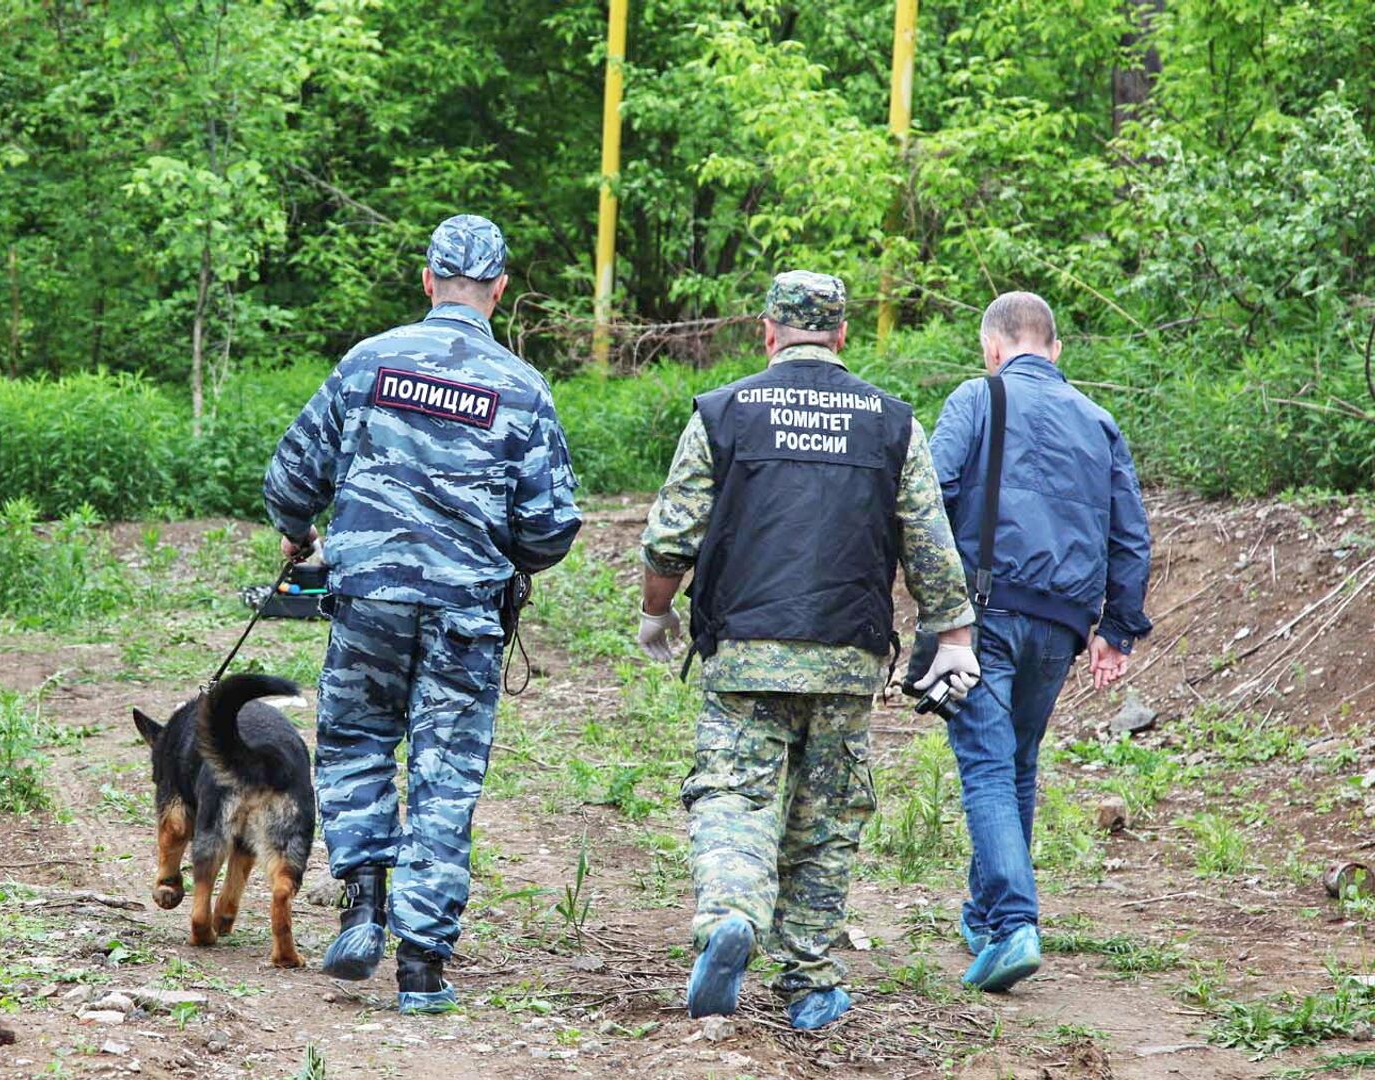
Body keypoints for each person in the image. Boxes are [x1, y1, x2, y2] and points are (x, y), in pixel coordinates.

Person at [637, 271, 979, 1030]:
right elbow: (929, 545)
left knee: (734, 793)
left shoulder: (724, 414)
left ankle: (731, 915)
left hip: (745, 652)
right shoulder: (892, 424)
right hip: (847, 655)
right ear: (843, 336)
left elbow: (670, 539)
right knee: (826, 817)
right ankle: (810, 980)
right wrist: (953, 634)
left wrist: (655, 615)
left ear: (768, 332)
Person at [263, 214, 583, 1014]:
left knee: (356, 745)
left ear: (427, 278)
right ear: (501, 290)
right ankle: (423, 968)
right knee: (445, 774)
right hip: (465, 612)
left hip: (368, 597)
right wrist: (502, 554)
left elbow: (292, 474)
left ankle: (363, 906)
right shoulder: (521, 386)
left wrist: (301, 535)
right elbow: (550, 527)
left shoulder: (370, 362)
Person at [929, 291, 1152, 993]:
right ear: (1053, 349)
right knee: (1016, 763)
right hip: (1062, 625)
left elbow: (926, 496)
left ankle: (1017, 923)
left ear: (993, 347)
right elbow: (1131, 536)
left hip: (983, 615)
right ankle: (987, 913)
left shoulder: (976, 398)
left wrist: (925, 603)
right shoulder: (1099, 420)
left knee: (989, 767)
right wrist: (1116, 630)